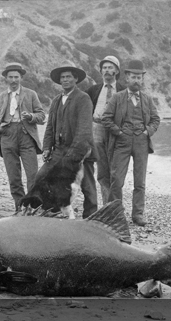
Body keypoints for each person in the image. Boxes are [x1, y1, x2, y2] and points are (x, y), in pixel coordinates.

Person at [101, 59, 160, 226]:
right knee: (116, 180)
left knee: (140, 181)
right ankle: (115, 215)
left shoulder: (147, 99)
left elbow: (156, 119)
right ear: (126, 78)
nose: (136, 80)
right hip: (122, 142)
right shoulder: (117, 98)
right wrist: (118, 132)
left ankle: (138, 215)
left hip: (141, 142)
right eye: (133, 77)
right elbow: (106, 118)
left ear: (142, 79)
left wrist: (147, 131)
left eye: (139, 77)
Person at [43, 61, 98, 219]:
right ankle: (54, 212)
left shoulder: (83, 99)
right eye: (62, 77)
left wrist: (74, 154)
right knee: (45, 177)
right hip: (59, 150)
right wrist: (47, 148)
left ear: (75, 80)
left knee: (87, 185)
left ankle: (91, 217)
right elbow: (50, 127)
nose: (65, 80)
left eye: (68, 77)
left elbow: (84, 130)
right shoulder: (56, 101)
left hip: (82, 151)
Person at [0, 63, 45, 210]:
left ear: (21, 78)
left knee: (33, 175)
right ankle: (19, 206)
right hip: (7, 136)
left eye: (16, 77)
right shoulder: (1, 97)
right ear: (6, 79)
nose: (13, 80)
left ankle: (33, 206)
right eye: (10, 77)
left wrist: (31, 116)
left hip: (26, 135)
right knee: (13, 176)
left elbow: (42, 116)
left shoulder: (31, 94)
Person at [84, 55, 125, 204]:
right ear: (101, 71)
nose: (107, 71)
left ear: (117, 71)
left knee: (116, 172)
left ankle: (116, 206)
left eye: (110, 68)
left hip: (116, 132)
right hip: (97, 129)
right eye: (104, 68)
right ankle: (107, 206)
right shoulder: (93, 90)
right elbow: (86, 112)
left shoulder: (123, 90)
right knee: (102, 171)